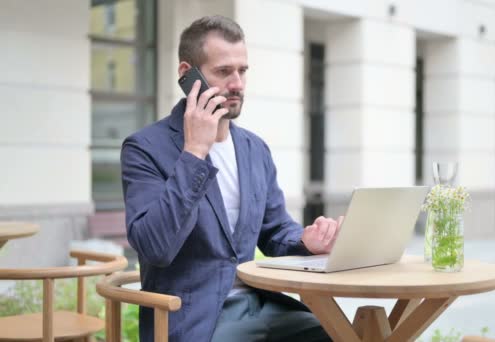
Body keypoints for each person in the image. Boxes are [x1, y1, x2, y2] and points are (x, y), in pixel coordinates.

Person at [121, 15, 341, 342]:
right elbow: (156, 248)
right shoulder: (144, 149)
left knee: (341, 334)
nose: (237, 83)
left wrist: (306, 241)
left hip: (260, 305)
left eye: (242, 71)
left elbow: (275, 230)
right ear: (187, 75)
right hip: (193, 317)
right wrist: (194, 151)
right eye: (224, 72)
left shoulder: (254, 149)